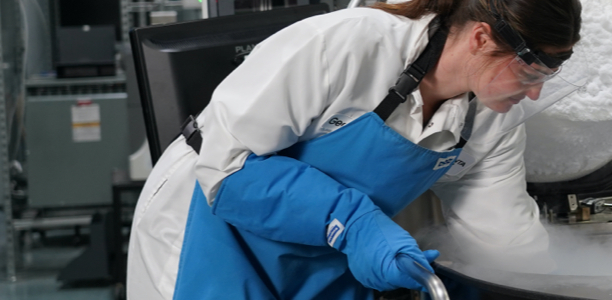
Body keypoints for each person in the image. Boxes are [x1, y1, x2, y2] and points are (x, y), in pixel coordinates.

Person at [125, 0, 583, 298]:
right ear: (482, 38)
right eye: (532, 72)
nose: (535, 94)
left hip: (317, 254)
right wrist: (356, 224)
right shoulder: (348, 44)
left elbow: (505, 239)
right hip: (208, 229)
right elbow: (226, 169)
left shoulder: (490, 118)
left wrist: (543, 291)